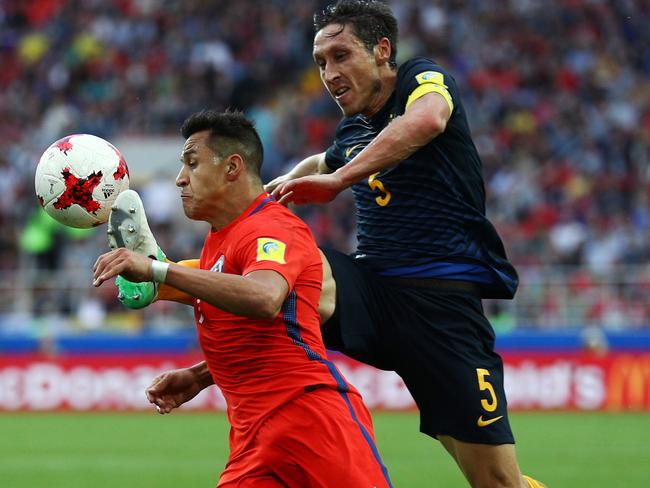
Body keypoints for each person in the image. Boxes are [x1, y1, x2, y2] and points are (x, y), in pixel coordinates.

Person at [266, 1, 546, 487]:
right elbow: (325, 160)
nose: (329, 74)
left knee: (498, 482)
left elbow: (429, 121)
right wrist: (277, 191)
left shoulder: (421, 79)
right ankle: (160, 275)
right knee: (291, 271)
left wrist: (337, 181)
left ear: (382, 51)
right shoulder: (353, 129)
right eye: (321, 63)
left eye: (340, 55)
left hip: (442, 306)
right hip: (373, 292)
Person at [92, 109, 392, 488]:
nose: (180, 178)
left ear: (232, 167)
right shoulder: (223, 239)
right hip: (252, 438)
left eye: (192, 163)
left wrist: (157, 271)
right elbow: (257, 325)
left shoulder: (272, 227)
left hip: (312, 421)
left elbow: (265, 298)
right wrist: (203, 375)